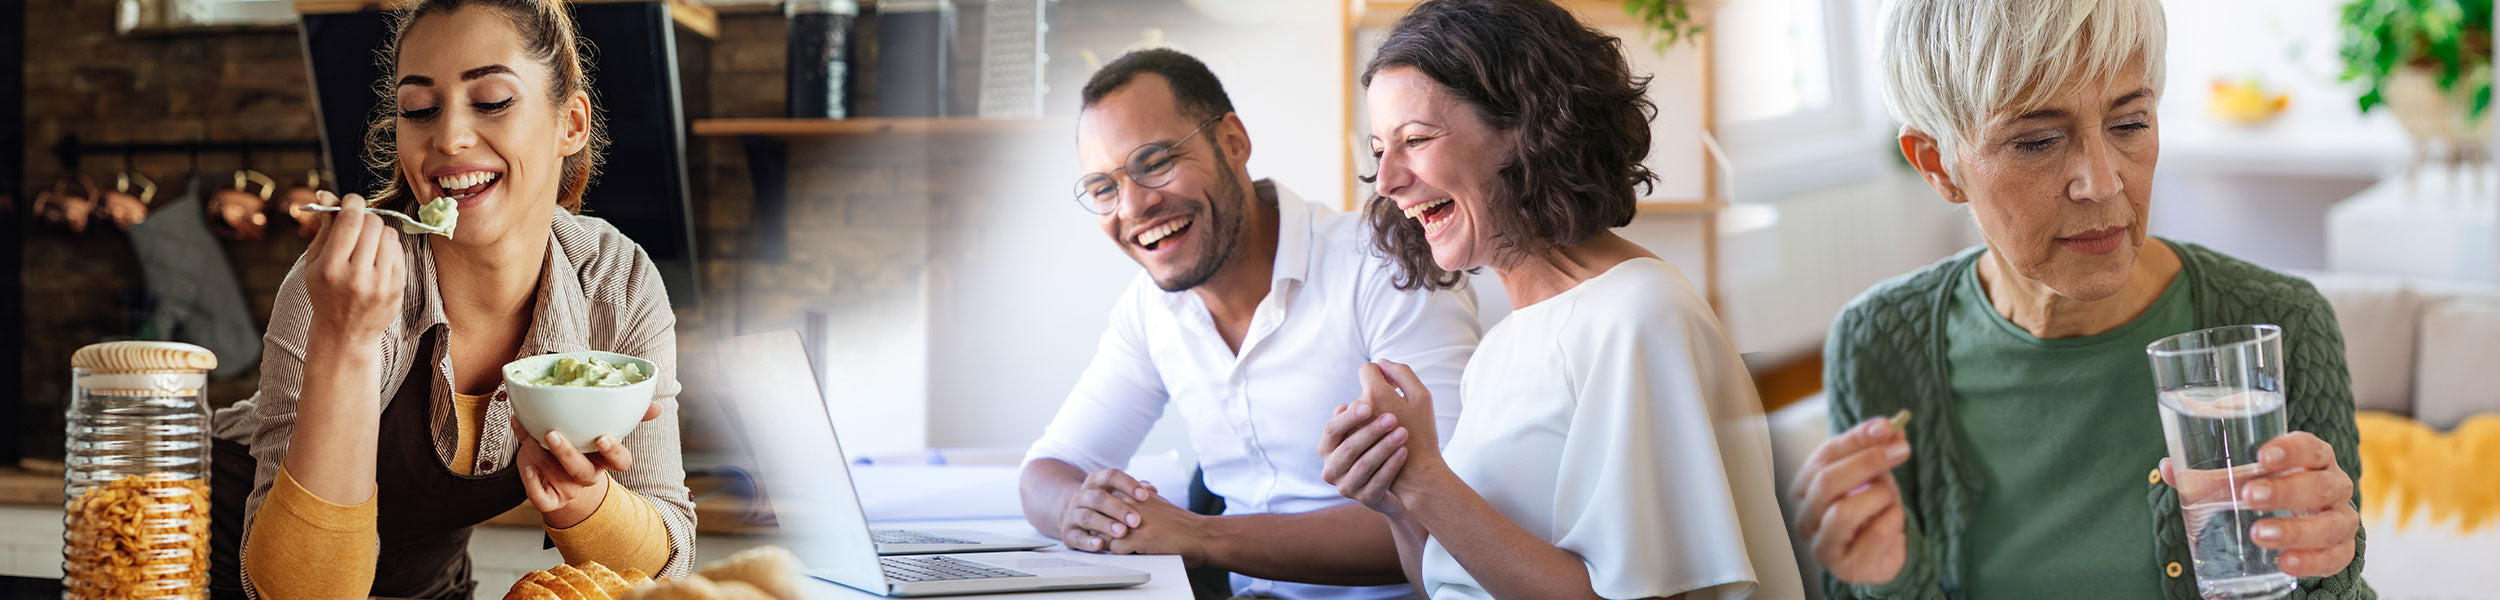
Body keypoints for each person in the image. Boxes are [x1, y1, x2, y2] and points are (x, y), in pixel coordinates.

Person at [1797, 1, 2370, 598]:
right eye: (2037, 141)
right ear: (1939, 165)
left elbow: (2328, 580)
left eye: (2129, 125)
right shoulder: (1880, 340)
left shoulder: (2277, 321)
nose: (2102, 182)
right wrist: (1886, 580)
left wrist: (2325, 570)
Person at [205, 0, 695, 597]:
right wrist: (346, 344)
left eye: (491, 101)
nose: (449, 136)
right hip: (194, 557)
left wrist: (583, 499)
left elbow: (667, 568)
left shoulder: (614, 283)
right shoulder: (337, 287)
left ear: (570, 123)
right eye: (419, 109)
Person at [1318, 1, 1804, 599]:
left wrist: (1426, 482)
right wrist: (1398, 498)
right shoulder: (1502, 346)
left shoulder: (1639, 317)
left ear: (1528, 130)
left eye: (1415, 140)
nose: (1388, 180)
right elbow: (1448, 584)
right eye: (1378, 151)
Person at [1016, 48, 1483, 600]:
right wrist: (1082, 509)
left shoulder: (1383, 266)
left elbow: (1458, 518)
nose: (1133, 205)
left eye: (1156, 161)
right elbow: (1047, 469)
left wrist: (1199, 535)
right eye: (1103, 188)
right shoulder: (1148, 308)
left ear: (1233, 142)